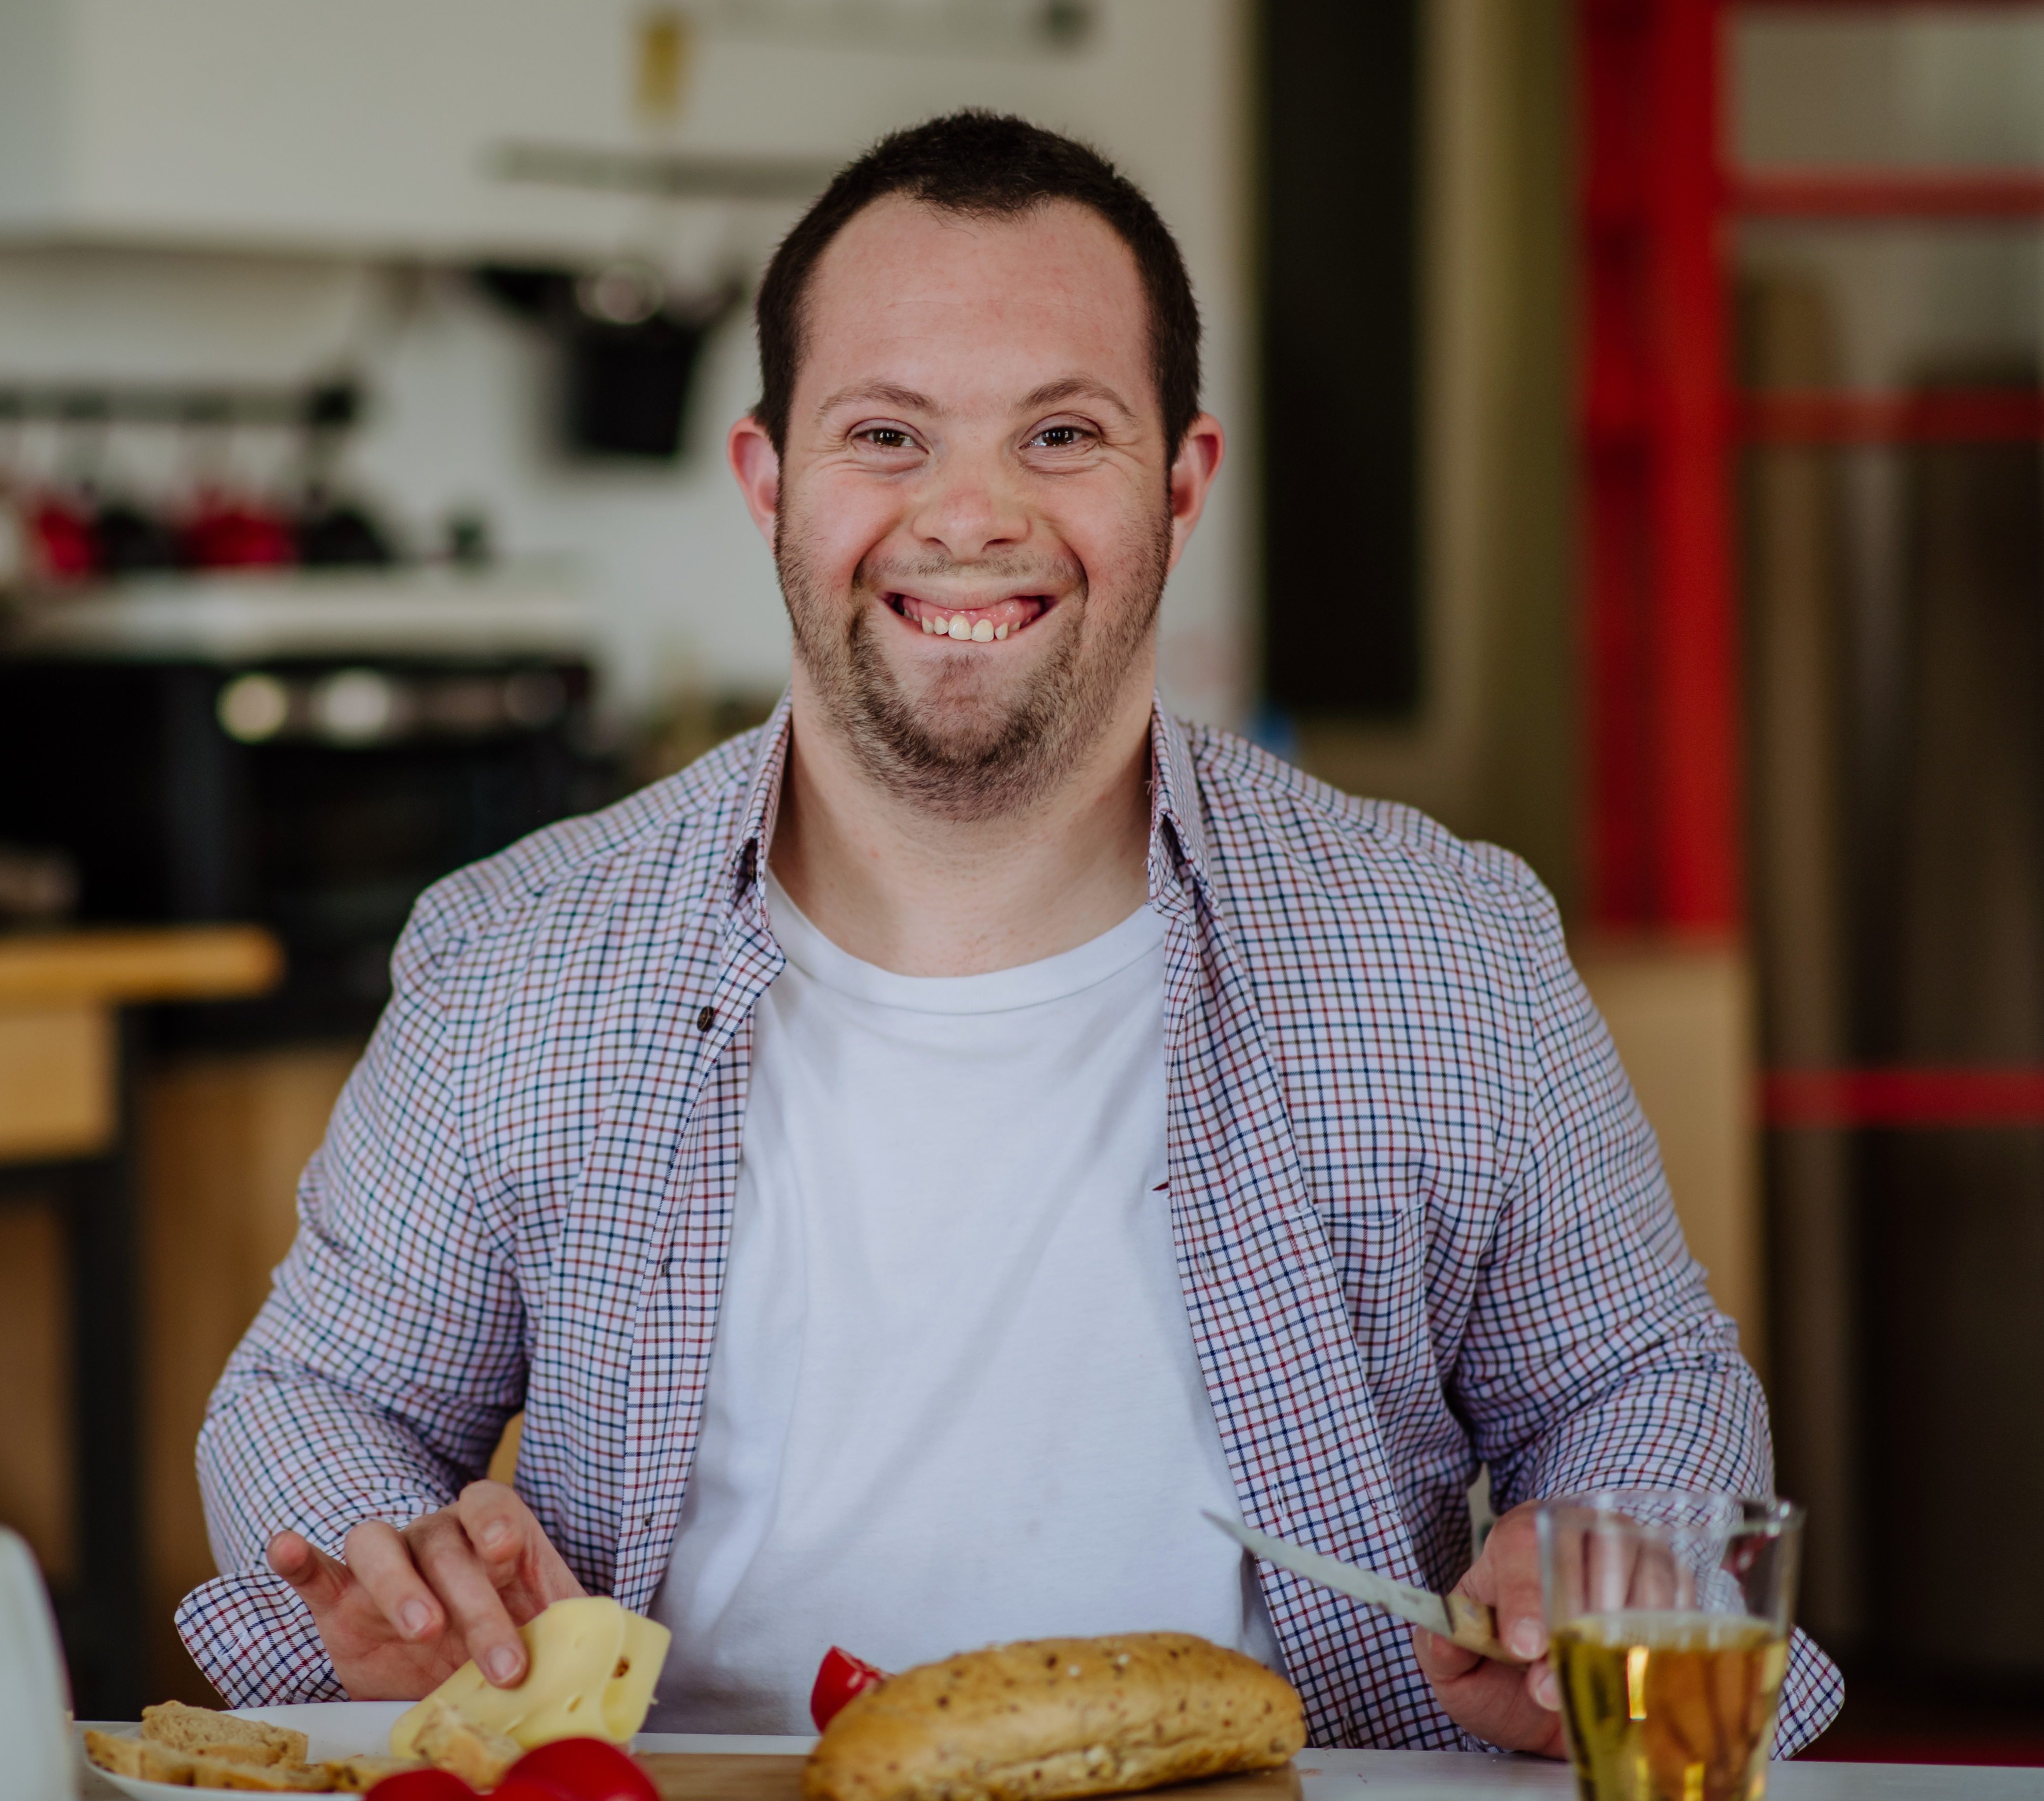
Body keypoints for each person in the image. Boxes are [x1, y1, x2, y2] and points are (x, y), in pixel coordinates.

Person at [177, 111, 1841, 1756]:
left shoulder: (1444, 947)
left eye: (1060, 436)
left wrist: (1598, 1550)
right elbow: (320, 1401)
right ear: (766, 480)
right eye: (886, 436)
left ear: (1181, 483)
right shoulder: (518, 959)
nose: (967, 515)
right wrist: (403, 1566)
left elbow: (1640, 1383)